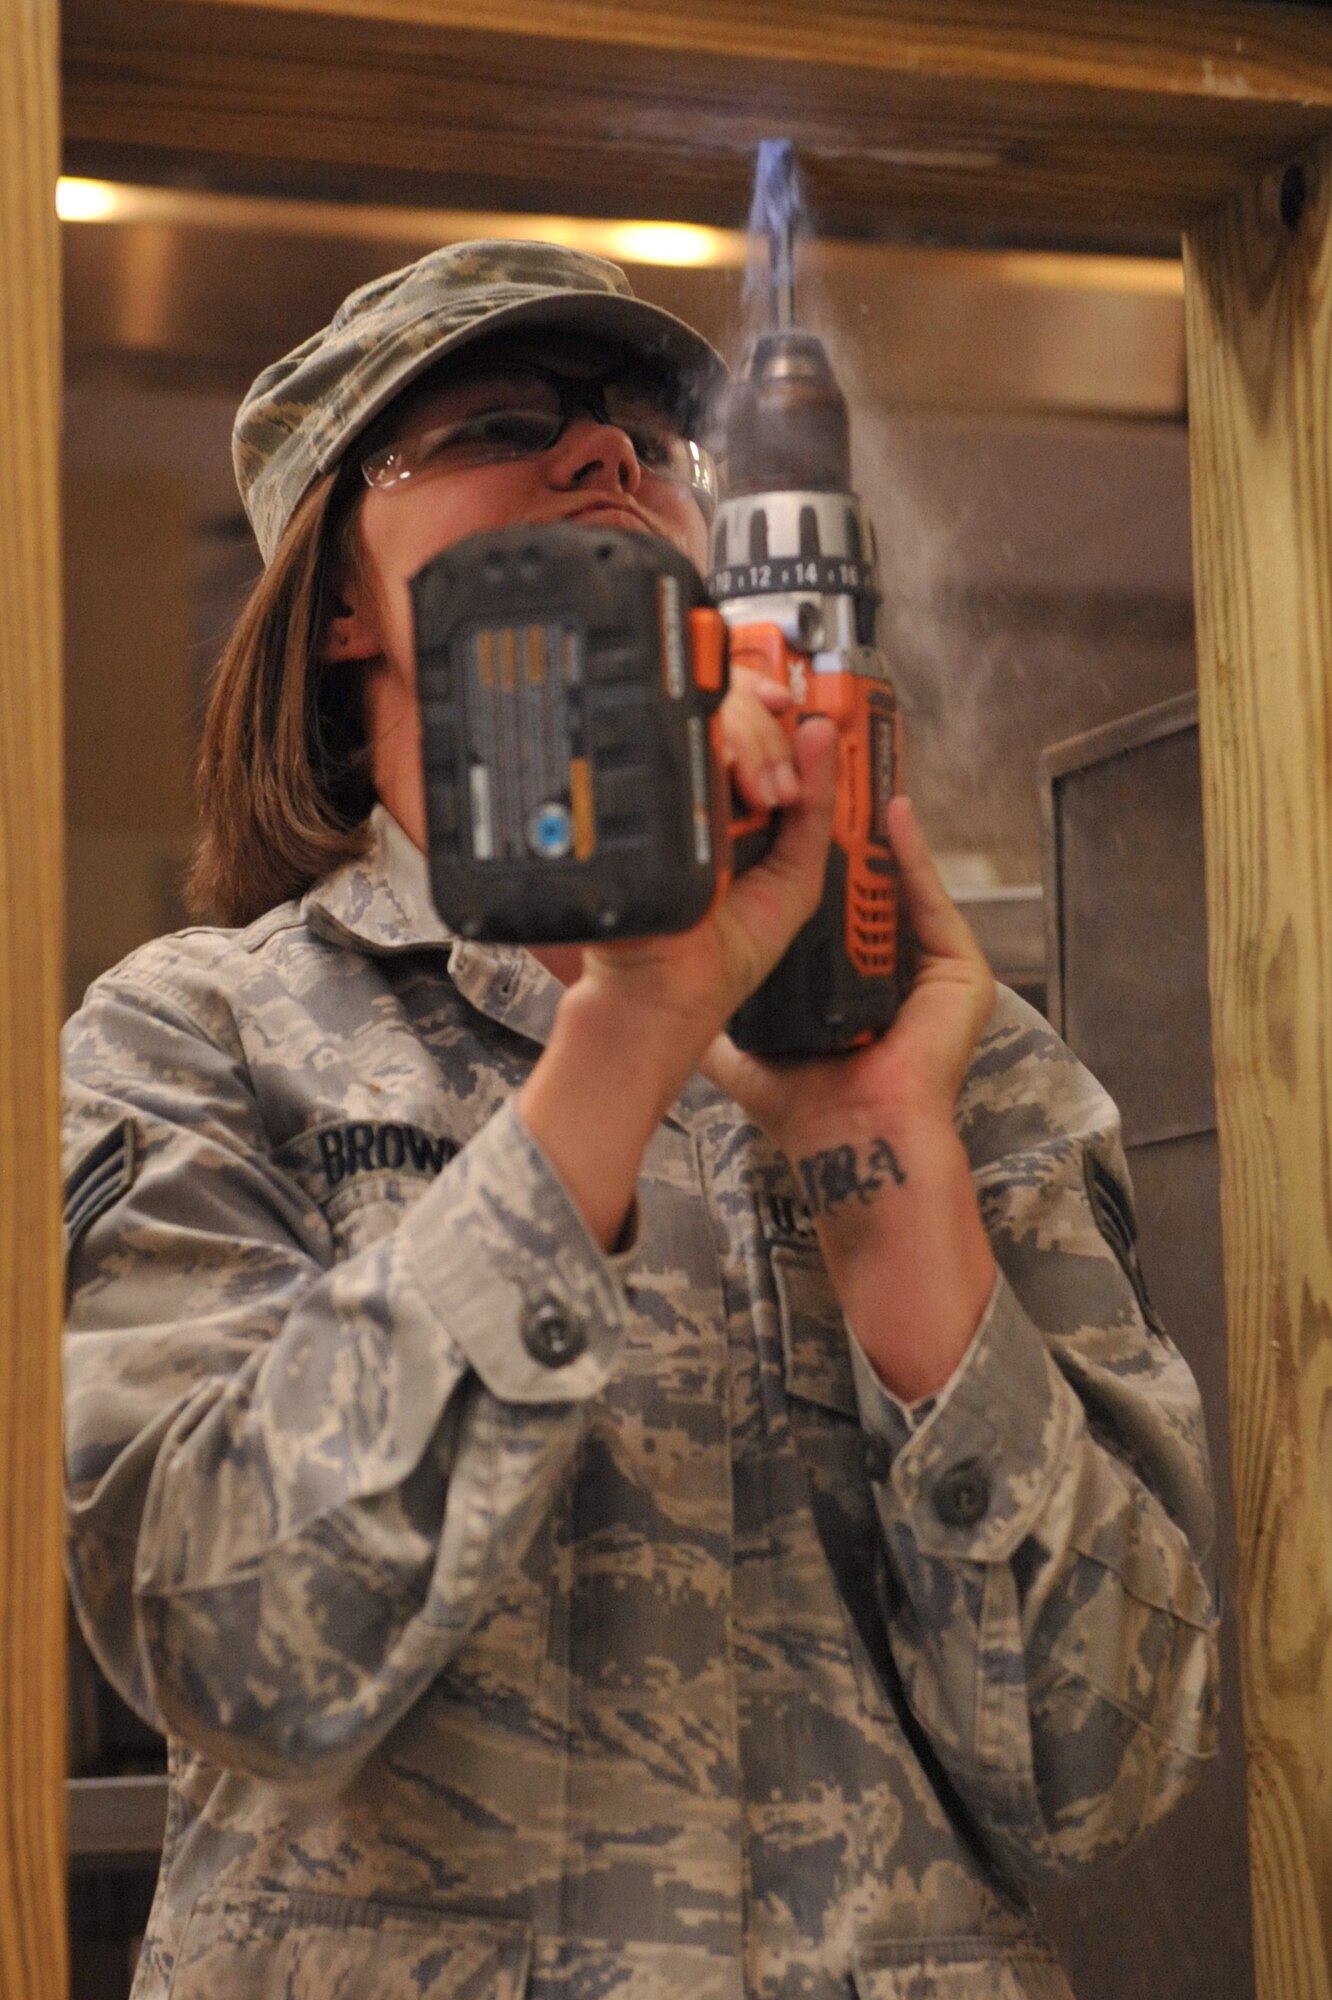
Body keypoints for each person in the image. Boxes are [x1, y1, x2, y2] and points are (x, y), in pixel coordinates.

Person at [62, 240, 1219, 2000]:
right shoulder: (198, 1036)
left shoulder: (958, 1056)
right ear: (341, 599)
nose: (609, 456)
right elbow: (232, 1639)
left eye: (653, 437)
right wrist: (634, 1034)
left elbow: (1103, 1775)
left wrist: (879, 1157)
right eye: (508, 421)